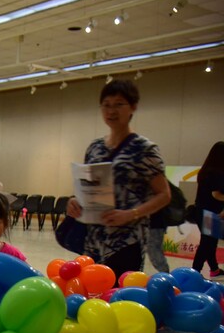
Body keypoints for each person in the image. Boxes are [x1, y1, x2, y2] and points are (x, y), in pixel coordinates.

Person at [67, 79, 171, 281]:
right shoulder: (95, 147)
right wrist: (74, 201)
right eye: (106, 105)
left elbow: (164, 195)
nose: (111, 111)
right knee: (92, 292)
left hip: (127, 240)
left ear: (133, 107)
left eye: (118, 104)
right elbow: (86, 187)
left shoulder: (145, 149)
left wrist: (130, 214)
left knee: (119, 295)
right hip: (93, 238)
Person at [192, 141, 224, 279]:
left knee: (210, 242)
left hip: (202, 210)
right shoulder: (216, 172)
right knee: (207, 243)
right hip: (210, 213)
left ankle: (214, 269)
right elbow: (216, 194)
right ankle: (194, 272)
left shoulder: (205, 170)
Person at [146, 209, 170, 273]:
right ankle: (165, 272)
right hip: (155, 223)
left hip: (155, 224)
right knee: (155, 249)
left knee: (154, 250)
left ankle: (165, 273)